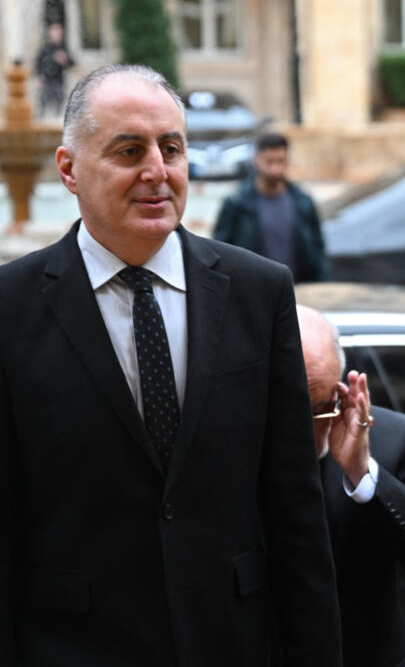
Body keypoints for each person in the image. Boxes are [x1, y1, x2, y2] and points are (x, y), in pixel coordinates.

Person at [0, 64, 340, 665]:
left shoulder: (258, 292)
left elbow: (294, 510)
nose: (157, 171)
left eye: (172, 148)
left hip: (232, 643)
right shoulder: (12, 308)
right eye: (129, 151)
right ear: (68, 170)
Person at [297, 305, 405, 667]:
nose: (307, 427)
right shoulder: (235, 439)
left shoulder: (390, 437)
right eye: (293, 407)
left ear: (341, 391)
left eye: (322, 407)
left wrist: (362, 473)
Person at [213, 132, 331, 283]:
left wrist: (323, 285)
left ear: (287, 160)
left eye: (280, 161)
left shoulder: (303, 202)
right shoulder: (237, 202)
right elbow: (220, 250)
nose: (275, 169)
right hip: (250, 288)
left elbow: (317, 251)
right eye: (269, 162)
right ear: (256, 160)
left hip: (297, 289)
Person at [34, 22, 74, 118]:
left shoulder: (63, 47)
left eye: (58, 31)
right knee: (42, 107)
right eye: (54, 31)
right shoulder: (45, 48)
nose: (56, 34)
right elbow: (37, 63)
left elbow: (72, 63)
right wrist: (39, 76)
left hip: (59, 82)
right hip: (46, 82)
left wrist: (65, 59)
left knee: (59, 107)